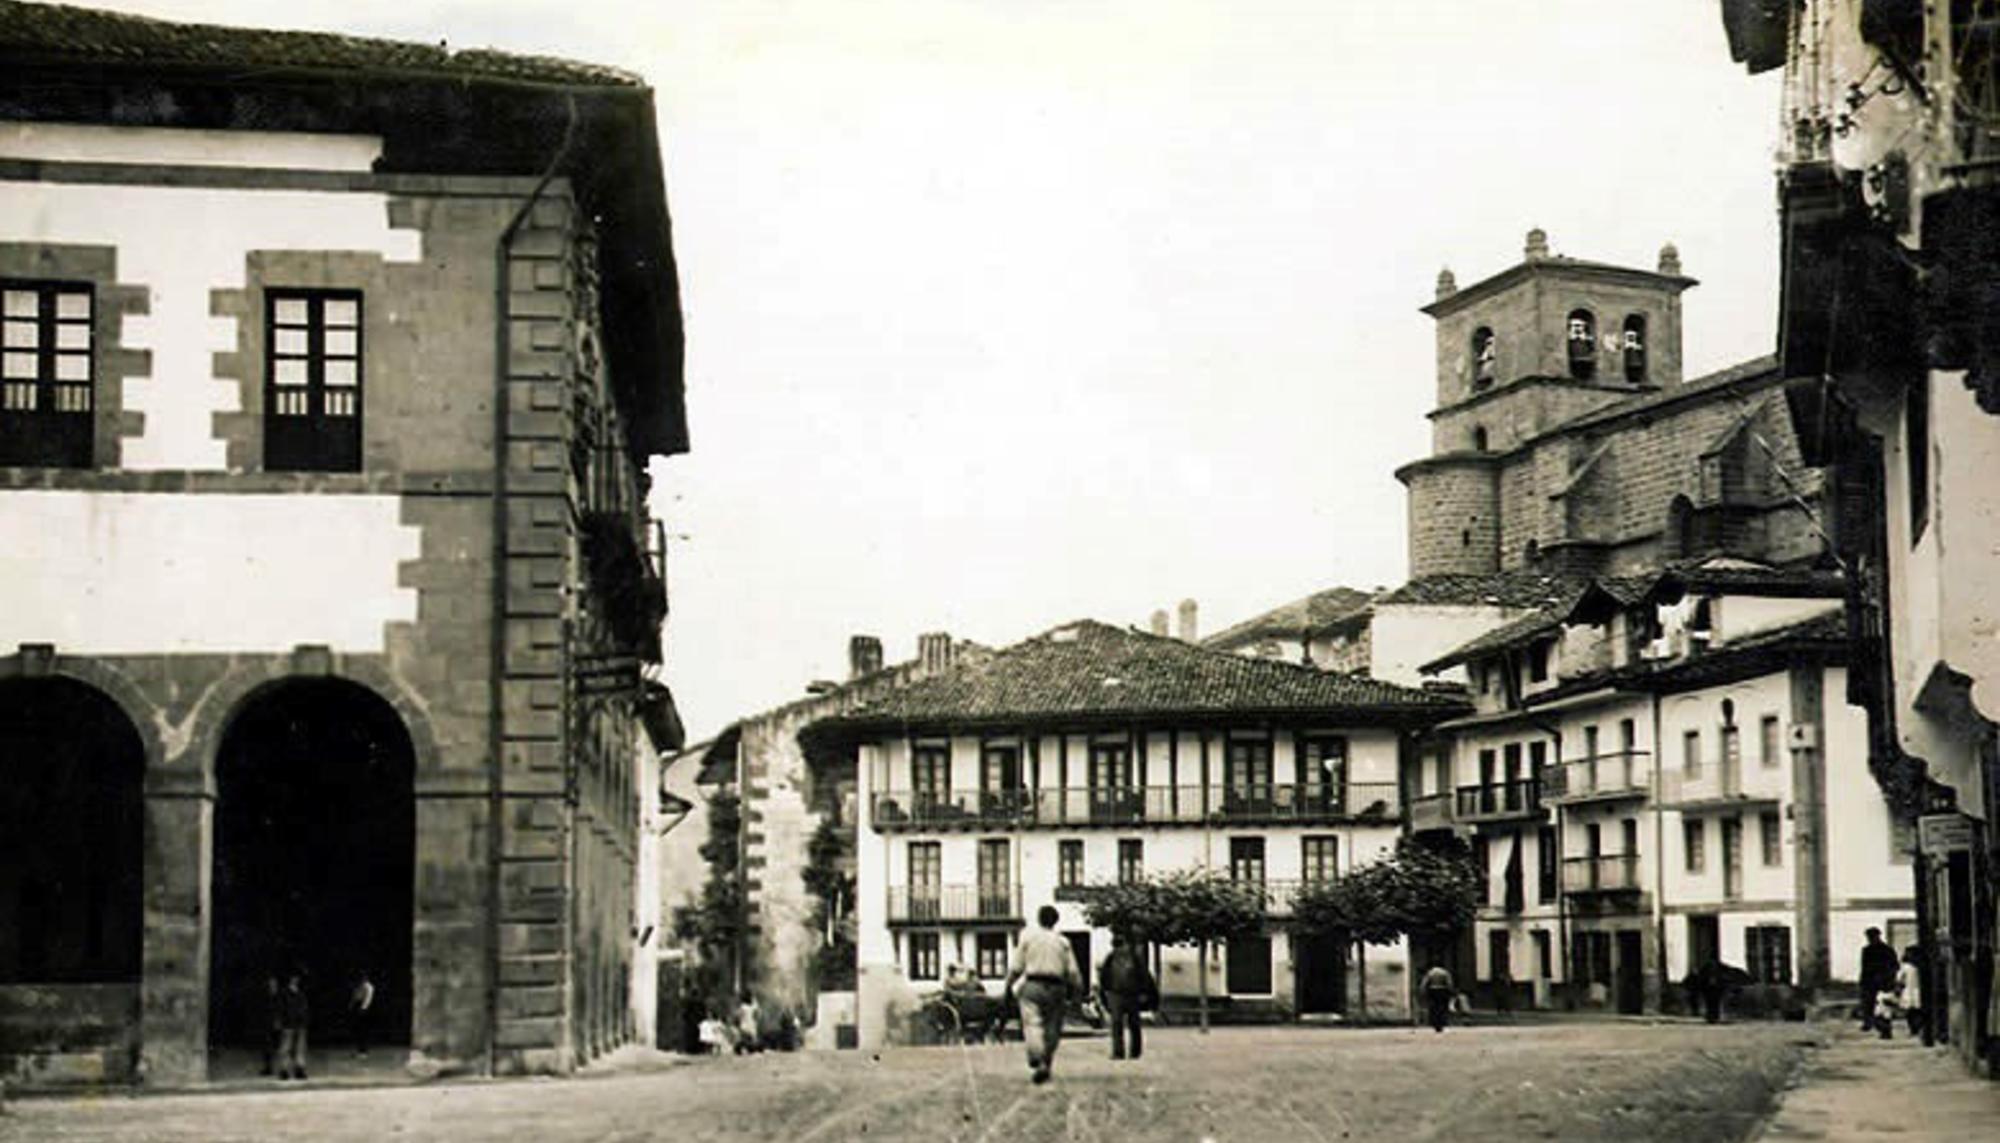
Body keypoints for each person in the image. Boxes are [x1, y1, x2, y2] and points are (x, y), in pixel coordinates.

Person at [1004, 904, 1083, 1084]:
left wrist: (1008, 986)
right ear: (1056, 921)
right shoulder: (1063, 942)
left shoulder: (1028, 939)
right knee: (1053, 1026)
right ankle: (1046, 1062)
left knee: (1032, 1023)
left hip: (1033, 984)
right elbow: (1073, 972)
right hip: (1057, 986)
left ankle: (1037, 1057)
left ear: (1039, 919)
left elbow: (1016, 967)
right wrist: (1077, 991)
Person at [1096, 933, 1157, 1062]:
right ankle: (1129, 1051)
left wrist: (1105, 992)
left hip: (1122, 994)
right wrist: (1144, 992)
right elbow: (1144, 976)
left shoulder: (1116, 957)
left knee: (1123, 1024)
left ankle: (1124, 1052)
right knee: (1128, 1023)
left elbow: (1104, 977)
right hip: (1125, 994)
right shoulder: (1129, 957)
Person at [1859, 927, 1899, 1036]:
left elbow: (1894, 966)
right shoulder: (1867, 950)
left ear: (1878, 936)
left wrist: (1890, 979)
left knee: (1883, 1005)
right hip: (1871, 981)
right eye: (1869, 937)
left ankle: (1883, 1027)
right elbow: (1864, 967)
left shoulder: (1887, 950)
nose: (1870, 939)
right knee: (1869, 1003)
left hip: (1882, 981)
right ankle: (1870, 1022)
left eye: (1872, 937)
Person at [276, 972, 310, 1080]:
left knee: (300, 1048)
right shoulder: (285, 993)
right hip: (288, 1023)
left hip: (300, 1023)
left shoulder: (301, 992)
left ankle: (299, 1068)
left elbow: (305, 1007)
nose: (296, 980)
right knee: (286, 1047)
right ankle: (284, 1069)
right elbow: (281, 1008)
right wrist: (281, 1020)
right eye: (294, 978)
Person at [1896, 945, 1927, 1041]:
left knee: (1910, 1012)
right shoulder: (1920, 966)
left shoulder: (1905, 967)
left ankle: (1914, 1029)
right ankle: (1917, 1028)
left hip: (1909, 990)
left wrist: (1898, 989)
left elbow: (1899, 979)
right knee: (1917, 1011)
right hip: (1917, 990)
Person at [1421, 963, 1455, 1033]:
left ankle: (1435, 1023)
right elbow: (1449, 983)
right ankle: (1441, 1023)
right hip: (1442, 991)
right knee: (1441, 1008)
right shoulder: (1445, 972)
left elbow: (1424, 983)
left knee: (1434, 1008)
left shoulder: (1430, 973)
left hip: (1432, 991)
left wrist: (1423, 991)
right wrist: (1450, 991)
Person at [349, 972, 376, 1059]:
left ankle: (364, 1051)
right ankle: (359, 1050)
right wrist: (352, 1005)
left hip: (364, 1009)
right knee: (357, 1030)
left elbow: (368, 998)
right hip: (358, 1007)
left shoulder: (369, 986)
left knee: (364, 1031)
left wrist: (363, 1008)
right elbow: (355, 996)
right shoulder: (359, 986)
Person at [258, 975, 282, 1076]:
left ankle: (280, 1069)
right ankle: (268, 1068)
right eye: (270, 984)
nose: (272, 986)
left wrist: (279, 1022)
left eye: (274, 984)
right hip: (267, 1025)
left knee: (278, 1048)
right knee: (267, 1048)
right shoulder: (266, 997)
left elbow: (280, 1010)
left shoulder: (279, 997)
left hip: (276, 1025)